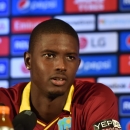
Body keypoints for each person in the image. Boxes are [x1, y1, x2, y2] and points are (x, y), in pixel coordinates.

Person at [0, 19, 121, 130]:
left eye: (70, 57)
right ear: (28, 61)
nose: (62, 66)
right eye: (49, 55)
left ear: (78, 65)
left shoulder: (95, 98)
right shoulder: (4, 102)